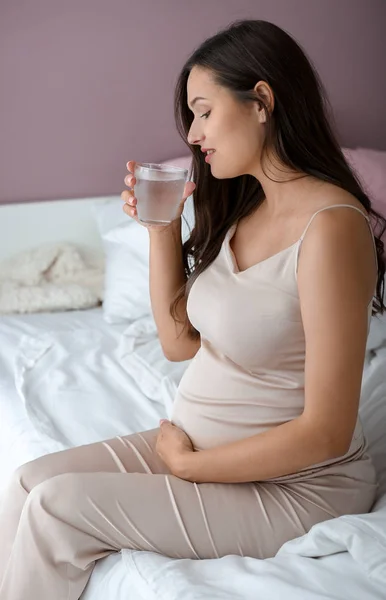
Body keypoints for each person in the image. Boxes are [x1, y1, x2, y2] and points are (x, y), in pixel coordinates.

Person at [0, 18, 385, 600]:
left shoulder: (329, 228)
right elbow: (180, 343)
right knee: (28, 482)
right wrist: (160, 230)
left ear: (261, 101)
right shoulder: (245, 207)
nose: (194, 135)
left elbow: (327, 432)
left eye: (203, 111)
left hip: (294, 487)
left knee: (56, 509)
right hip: (200, 447)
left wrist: (189, 467)